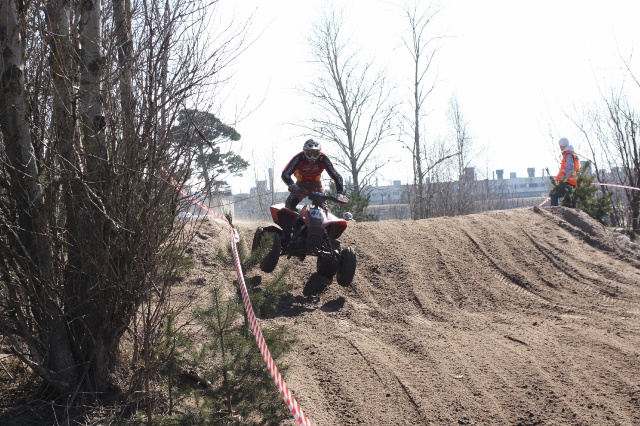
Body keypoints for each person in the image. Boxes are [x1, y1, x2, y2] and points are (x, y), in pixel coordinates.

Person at [281, 138, 347, 210]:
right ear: (304, 151)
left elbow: (337, 176)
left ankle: (324, 214)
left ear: (319, 152)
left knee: (323, 207)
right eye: (309, 152)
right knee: (289, 206)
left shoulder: (323, 159)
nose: (312, 156)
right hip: (300, 185)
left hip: (316, 185)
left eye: (315, 152)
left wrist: (339, 194)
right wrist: (291, 184)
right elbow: (285, 173)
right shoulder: (299, 158)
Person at [550, 137, 580, 206]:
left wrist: (563, 180)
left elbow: (570, 169)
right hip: (572, 182)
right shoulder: (572, 154)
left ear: (562, 146)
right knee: (568, 200)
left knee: (554, 195)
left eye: (560, 146)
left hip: (568, 182)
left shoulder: (568, 155)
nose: (560, 147)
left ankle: (554, 211)